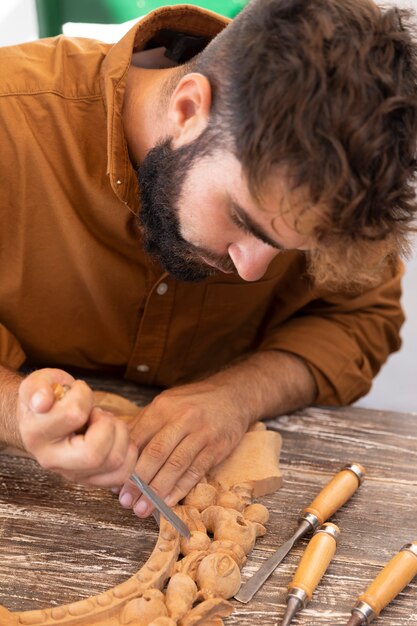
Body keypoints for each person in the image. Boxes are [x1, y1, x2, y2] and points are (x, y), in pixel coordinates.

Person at [0, 0, 416, 519]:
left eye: (289, 247)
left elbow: (361, 320)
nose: (251, 269)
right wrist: (18, 411)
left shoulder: (334, 188)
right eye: (243, 220)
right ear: (189, 108)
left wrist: (238, 395)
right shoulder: (12, 122)